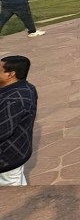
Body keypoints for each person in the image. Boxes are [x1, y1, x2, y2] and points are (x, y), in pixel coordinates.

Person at [0, 55, 37, 185]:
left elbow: (2, 131)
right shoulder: (27, 87)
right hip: (15, 153)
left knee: (12, 193)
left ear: (10, 74)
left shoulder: (14, 100)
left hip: (6, 159)